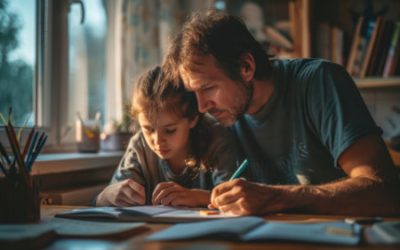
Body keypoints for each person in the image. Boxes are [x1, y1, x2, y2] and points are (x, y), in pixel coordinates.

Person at [163, 10, 400, 216]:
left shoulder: (319, 83)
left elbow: (384, 191)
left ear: (246, 67)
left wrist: (277, 197)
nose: (203, 106)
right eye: (194, 92)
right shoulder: (221, 115)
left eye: (208, 88)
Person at [96, 66, 237, 207]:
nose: (157, 141)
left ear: (193, 118)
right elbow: (99, 203)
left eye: (170, 130)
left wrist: (196, 197)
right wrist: (106, 196)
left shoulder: (216, 138)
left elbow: (233, 197)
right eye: (148, 129)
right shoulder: (140, 146)